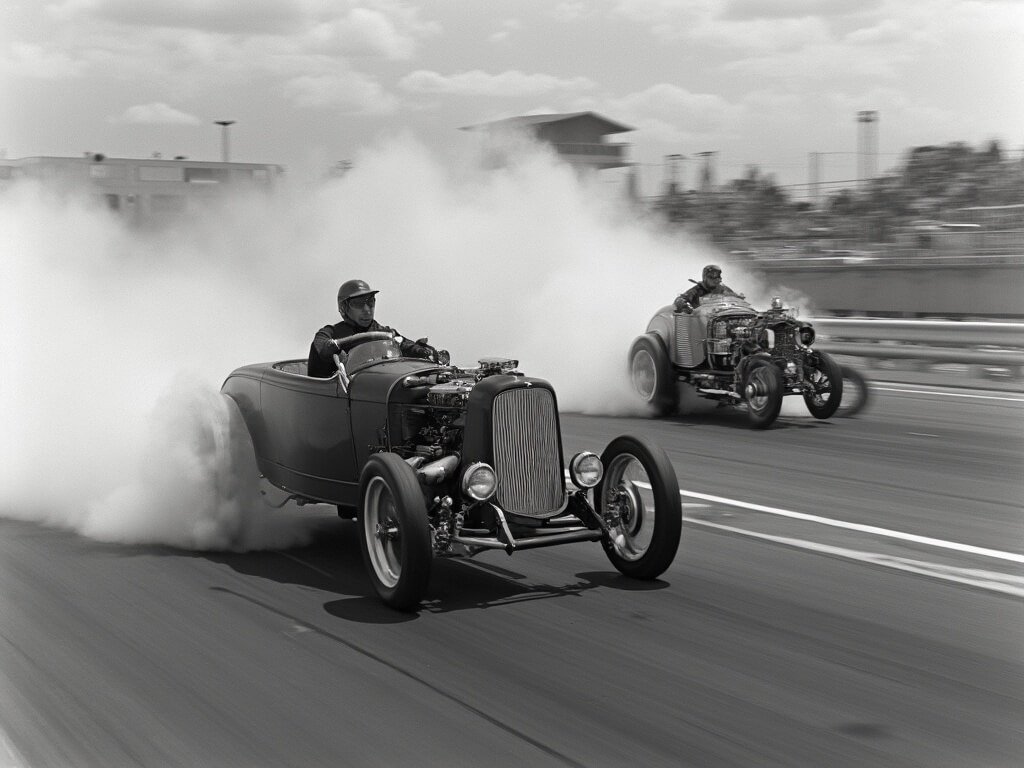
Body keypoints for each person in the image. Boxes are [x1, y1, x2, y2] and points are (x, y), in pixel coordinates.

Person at [307, 279, 436, 378]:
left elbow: (406, 345)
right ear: (344, 308)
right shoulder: (330, 333)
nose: (367, 310)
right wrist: (336, 346)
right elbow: (322, 347)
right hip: (337, 397)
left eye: (370, 302)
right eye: (358, 304)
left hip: (378, 388)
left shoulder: (385, 332)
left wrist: (424, 351)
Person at [673, 264, 741, 312]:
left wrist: (739, 298)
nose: (716, 280)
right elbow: (680, 299)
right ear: (705, 278)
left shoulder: (722, 288)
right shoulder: (696, 290)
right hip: (700, 322)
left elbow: (735, 298)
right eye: (712, 277)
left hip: (719, 319)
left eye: (718, 277)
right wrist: (685, 306)